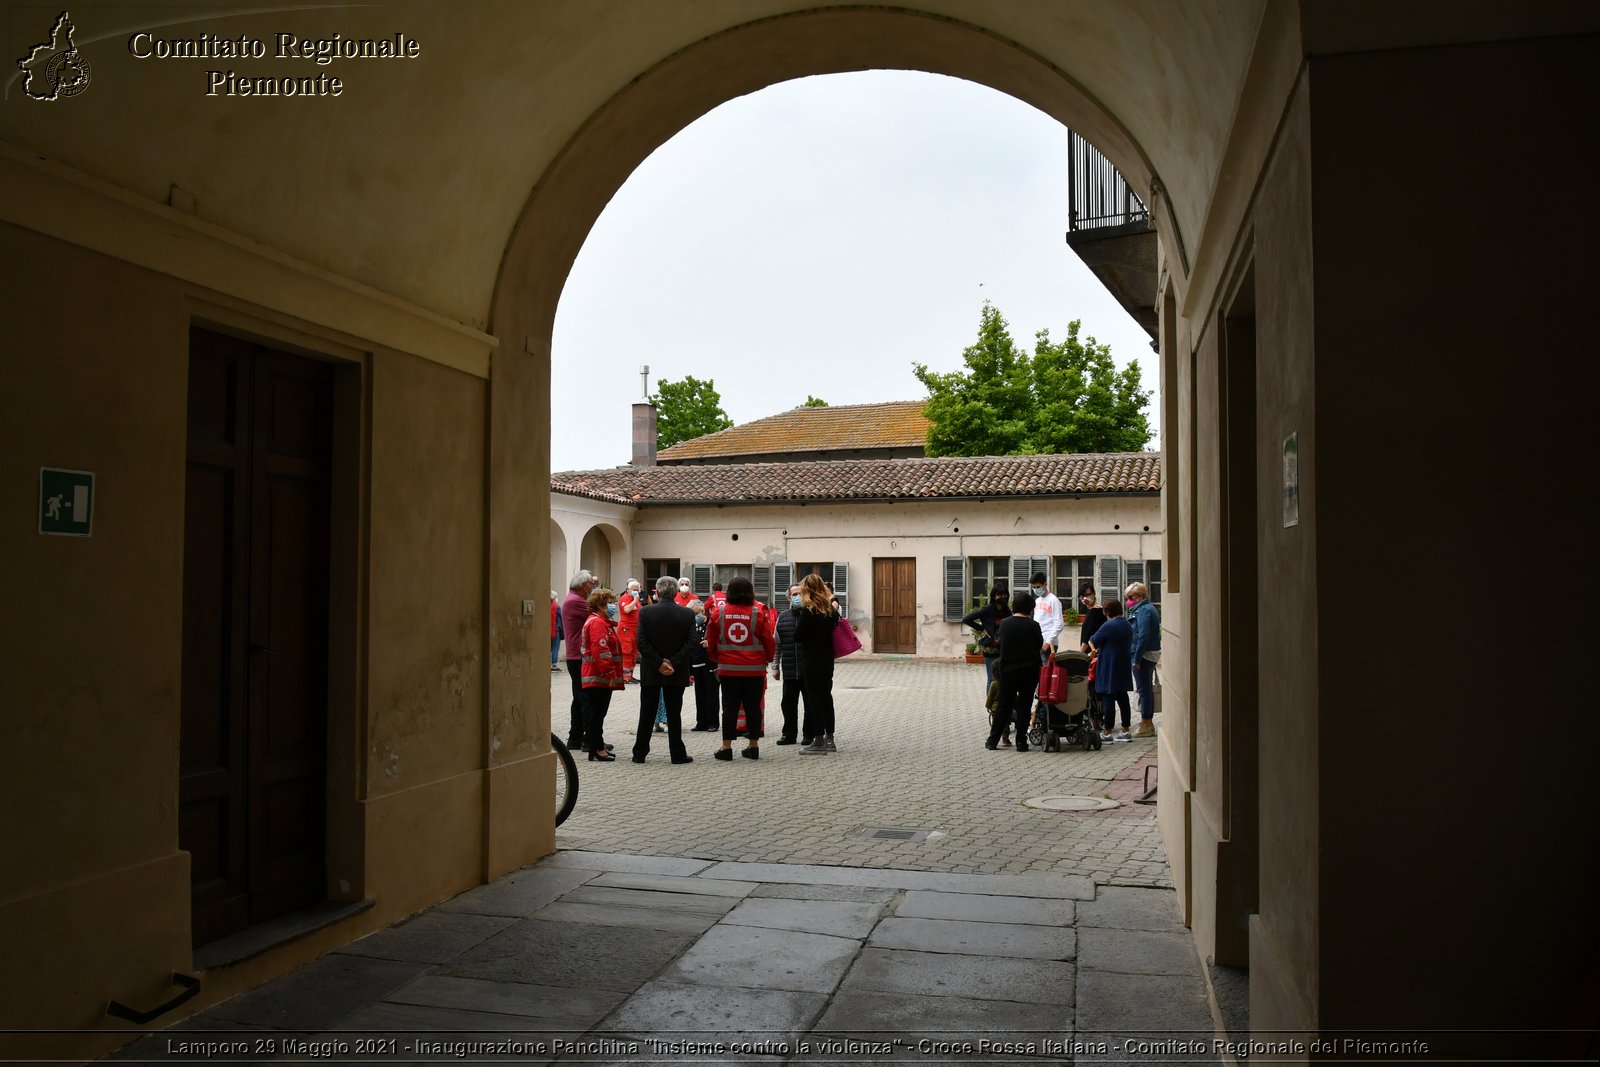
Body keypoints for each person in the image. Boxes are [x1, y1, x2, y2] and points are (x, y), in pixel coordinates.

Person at [707, 576, 774, 760]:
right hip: (754, 669)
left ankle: (726, 748)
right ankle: (753, 747)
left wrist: (715, 659)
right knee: (753, 707)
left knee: (729, 708)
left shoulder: (718, 613)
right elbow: (769, 639)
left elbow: (711, 641)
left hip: (728, 669)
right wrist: (767, 658)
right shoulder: (757, 613)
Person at [632, 575, 696, 764]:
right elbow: (692, 643)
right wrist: (673, 662)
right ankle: (677, 754)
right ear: (676, 592)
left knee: (647, 712)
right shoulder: (687, 614)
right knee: (674, 713)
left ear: (657, 592)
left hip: (652, 669)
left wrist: (658, 662)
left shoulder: (645, 612)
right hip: (676, 670)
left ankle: (639, 753)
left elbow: (641, 642)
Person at [988, 590, 1043, 752]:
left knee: (1004, 705)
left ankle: (993, 740)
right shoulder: (1034, 625)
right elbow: (1038, 645)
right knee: (1024, 706)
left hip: (1008, 670)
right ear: (1030, 608)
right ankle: (1021, 742)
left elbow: (1000, 642)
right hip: (1028, 670)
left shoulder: (1005, 623)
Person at [794, 574, 841, 754]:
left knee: (814, 698)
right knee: (826, 697)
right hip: (827, 658)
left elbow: (798, 636)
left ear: (807, 589)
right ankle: (830, 739)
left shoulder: (809, 611)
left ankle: (818, 740)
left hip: (811, 659)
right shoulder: (829, 610)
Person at [962, 584, 1012, 745]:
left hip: (1004, 648)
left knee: (1003, 678)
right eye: (999, 595)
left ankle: (1002, 707)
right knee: (992, 679)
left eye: (1004, 594)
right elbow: (967, 619)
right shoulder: (988, 609)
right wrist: (982, 628)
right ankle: (993, 708)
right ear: (993, 596)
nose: (1002, 597)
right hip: (990, 649)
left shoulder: (1007, 611)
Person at [578, 586, 624, 760]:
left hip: (597, 675)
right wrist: (610, 673)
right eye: (609, 602)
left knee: (597, 713)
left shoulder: (599, 621)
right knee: (596, 713)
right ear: (600, 605)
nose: (612, 606)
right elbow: (601, 650)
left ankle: (597, 746)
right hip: (598, 676)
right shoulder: (597, 622)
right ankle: (597, 748)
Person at [560, 570, 598, 749]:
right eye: (591, 584)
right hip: (579, 656)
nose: (592, 587)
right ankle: (590, 739)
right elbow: (600, 614)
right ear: (584, 585)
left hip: (575, 656)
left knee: (579, 697)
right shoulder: (577, 602)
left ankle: (575, 737)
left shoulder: (572, 598)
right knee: (587, 698)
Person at [1090, 597, 1134, 741]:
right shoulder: (1127, 624)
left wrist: (1093, 648)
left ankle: (1107, 732)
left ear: (1107, 611)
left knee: (1108, 696)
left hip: (1109, 665)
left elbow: (1093, 640)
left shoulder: (1108, 626)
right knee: (1123, 697)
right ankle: (1126, 730)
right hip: (1124, 664)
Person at [772, 584, 808, 745]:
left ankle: (809, 734)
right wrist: (775, 667)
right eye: (794, 594)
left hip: (808, 670)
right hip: (789, 669)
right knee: (788, 703)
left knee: (810, 704)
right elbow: (777, 644)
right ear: (788, 597)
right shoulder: (783, 617)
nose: (797, 597)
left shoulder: (810, 614)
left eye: (800, 593)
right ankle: (789, 734)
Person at [1125, 581, 1161, 738]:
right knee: (1145, 689)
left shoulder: (1144, 611)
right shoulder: (1145, 609)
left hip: (1143, 655)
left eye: (1131, 597)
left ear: (1140, 596)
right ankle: (1147, 722)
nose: (1128, 600)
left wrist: (1137, 659)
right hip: (1146, 654)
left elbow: (1143, 636)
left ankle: (1147, 723)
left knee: (1144, 690)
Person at [1030, 571, 1064, 721]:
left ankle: (1046, 712)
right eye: (1033, 587)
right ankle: (1040, 710)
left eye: (1038, 586)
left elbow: (1059, 624)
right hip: (1037, 644)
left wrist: (1048, 642)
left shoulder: (1053, 600)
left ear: (1045, 584)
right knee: (1039, 680)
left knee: (1047, 680)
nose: (1036, 589)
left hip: (1048, 646)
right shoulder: (1037, 601)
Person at [686, 598, 720, 731]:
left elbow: (720, 640)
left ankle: (713, 723)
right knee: (699, 695)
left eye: (697, 613)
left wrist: (710, 644)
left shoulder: (711, 624)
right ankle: (701, 722)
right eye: (692, 614)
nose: (695, 617)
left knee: (711, 694)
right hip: (695, 664)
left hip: (709, 665)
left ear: (703, 611)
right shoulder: (690, 626)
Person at [617, 578, 643, 683]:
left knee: (633, 653)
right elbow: (627, 609)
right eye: (633, 589)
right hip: (626, 630)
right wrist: (635, 601)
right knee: (626, 652)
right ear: (628, 589)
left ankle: (630, 675)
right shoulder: (624, 598)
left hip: (635, 629)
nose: (635, 591)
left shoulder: (636, 600)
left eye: (637, 589)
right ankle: (625, 676)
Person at [1077, 583, 1106, 654]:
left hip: (1091, 653)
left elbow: (1088, 635)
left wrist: (1080, 654)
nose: (1085, 598)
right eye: (1083, 596)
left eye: (1088, 594)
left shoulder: (1095, 612)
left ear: (1094, 593)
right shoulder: (1093, 610)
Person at [549, 590, 562, 672]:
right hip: (555, 630)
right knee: (555, 648)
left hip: (547, 629)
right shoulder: (557, 607)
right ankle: (554, 665)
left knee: (549, 648)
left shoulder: (545, 605)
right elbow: (560, 619)